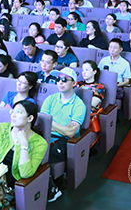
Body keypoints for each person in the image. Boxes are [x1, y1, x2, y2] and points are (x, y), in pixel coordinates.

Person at [40, 67, 86, 202]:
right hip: (45, 135)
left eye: (65, 79)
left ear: (74, 83)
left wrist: (50, 122)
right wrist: (60, 126)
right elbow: (42, 123)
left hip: (63, 141)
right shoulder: (50, 99)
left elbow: (70, 132)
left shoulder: (79, 105)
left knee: (39, 154)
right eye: (58, 79)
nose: (60, 82)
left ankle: (53, 190)